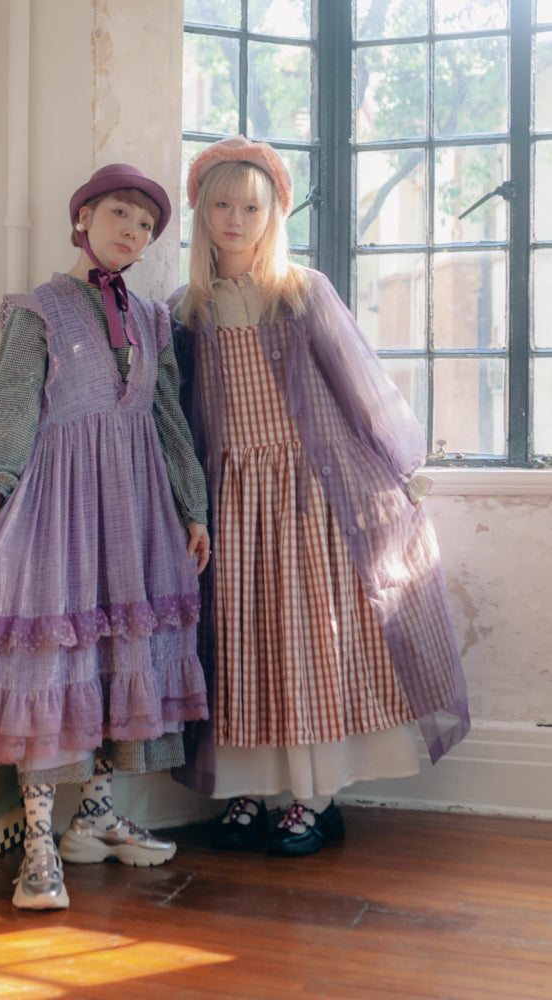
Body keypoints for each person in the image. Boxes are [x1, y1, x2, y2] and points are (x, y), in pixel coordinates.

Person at [169, 136, 470, 857]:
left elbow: (362, 387)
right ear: (201, 212)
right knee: (243, 642)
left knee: (311, 640)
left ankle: (315, 794)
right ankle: (245, 785)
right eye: (221, 205)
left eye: (251, 207)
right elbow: (177, 413)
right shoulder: (187, 310)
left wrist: (400, 465)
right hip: (232, 498)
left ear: (274, 214)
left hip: (309, 493)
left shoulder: (301, 293)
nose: (235, 220)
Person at [0, 163, 211, 909]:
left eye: (147, 225)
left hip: (135, 514)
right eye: (121, 213)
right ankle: (38, 846)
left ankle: (92, 818)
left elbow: (169, 421)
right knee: (51, 664)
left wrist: (193, 509)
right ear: (83, 217)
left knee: (116, 656)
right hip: (57, 513)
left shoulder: (152, 319)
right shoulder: (39, 310)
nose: (133, 231)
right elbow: (11, 411)